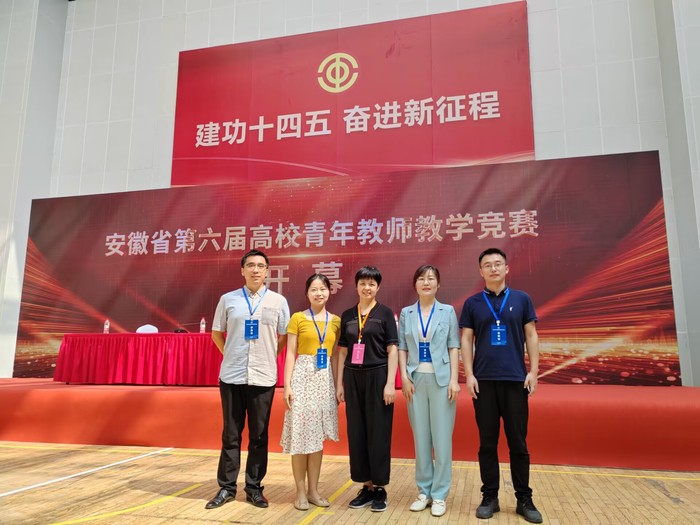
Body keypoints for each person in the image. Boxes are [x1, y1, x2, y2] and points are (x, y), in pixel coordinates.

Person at [459, 248, 543, 523]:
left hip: (515, 381)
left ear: (507, 268)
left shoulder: (521, 299)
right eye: (488, 265)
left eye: (498, 264)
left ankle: (524, 498)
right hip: (483, 383)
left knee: (518, 442)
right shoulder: (473, 303)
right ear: (480, 271)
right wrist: (469, 375)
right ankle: (490, 497)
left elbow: (531, 335)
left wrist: (533, 371)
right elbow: (466, 340)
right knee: (487, 443)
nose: (493, 268)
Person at [205, 249, 290, 510]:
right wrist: (229, 354)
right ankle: (227, 488)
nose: (255, 270)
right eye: (250, 265)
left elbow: (284, 335)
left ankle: (254, 488)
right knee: (231, 435)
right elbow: (216, 333)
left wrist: (270, 355)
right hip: (232, 376)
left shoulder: (278, 301)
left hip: (263, 377)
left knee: (259, 436)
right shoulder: (228, 299)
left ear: (267, 272)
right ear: (242, 270)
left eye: (260, 266)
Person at [397, 264, 460, 517]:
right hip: (415, 380)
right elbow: (402, 347)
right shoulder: (406, 313)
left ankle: (440, 494)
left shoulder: (447, 311)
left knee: (442, 440)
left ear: (438, 284)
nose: (426, 282)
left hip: (442, 380)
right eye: (421, 278)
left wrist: (454, 379)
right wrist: (404, 377)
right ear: (415, 284)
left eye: (431, 278)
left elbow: (453, 346)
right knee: (421, 438)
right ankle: (423, 492)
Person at [336, 266, 398, 512]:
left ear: (378, 287)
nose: (367, 287)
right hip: (352, 377)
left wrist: (390, 383)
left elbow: (392, 350)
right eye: (363, 283)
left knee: (378, 432)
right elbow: (342, 352)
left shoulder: (385, 313)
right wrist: (339, 383)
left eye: (372, 283)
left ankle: (380, 488)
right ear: (356, 286)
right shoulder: (347, 315)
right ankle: (366, 486)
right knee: (357, 432)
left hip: (378, 375)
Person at [280, 273, 341, 511]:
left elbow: (335, 356)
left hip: (324, 381)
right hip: (302, 378)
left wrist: (337, 385)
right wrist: (287, 385)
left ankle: (314, 491)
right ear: (307, 293)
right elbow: (290, 353)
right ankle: (300, 493)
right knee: (300, 437)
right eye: (314, 289)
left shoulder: (335, 321)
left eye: (323, 289)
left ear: (329, 291)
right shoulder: (298, 318)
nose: (319, 293)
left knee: (316, 439)